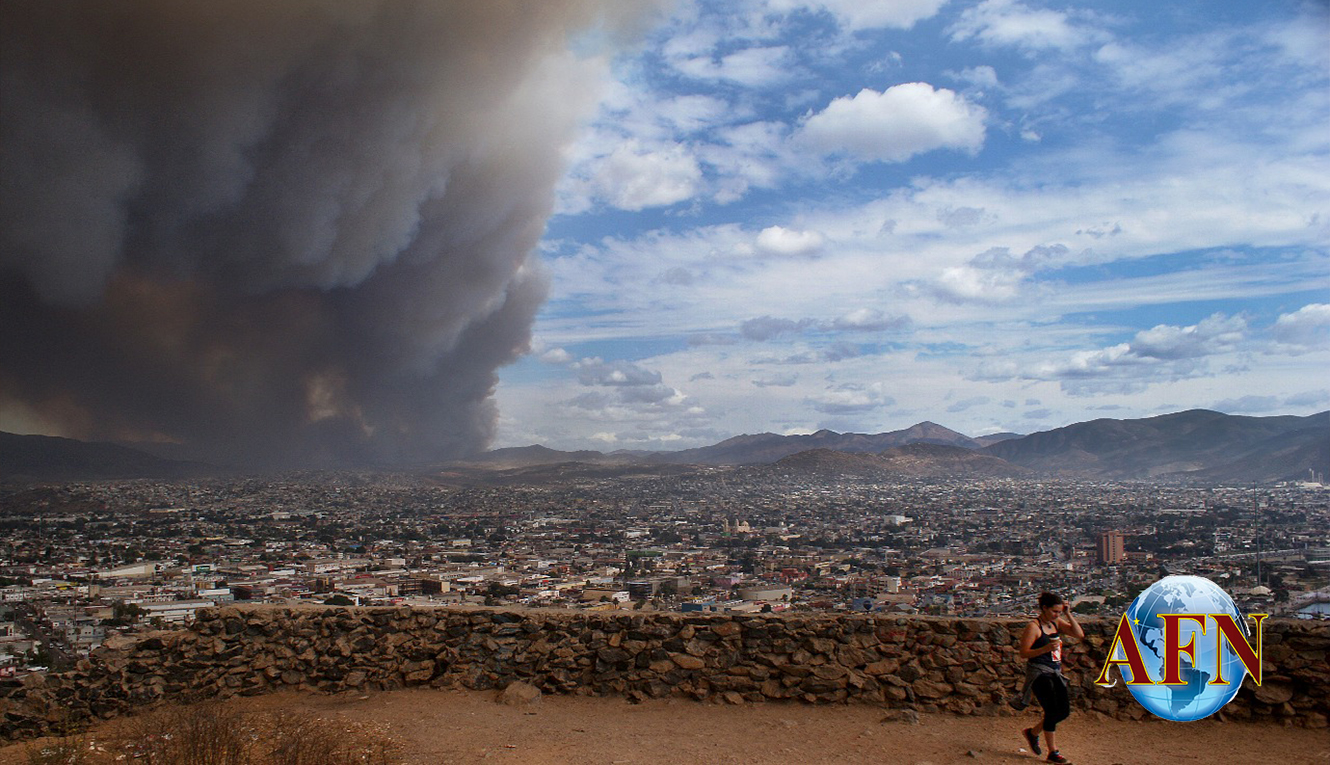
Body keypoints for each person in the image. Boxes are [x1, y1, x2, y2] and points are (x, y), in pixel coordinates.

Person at [1016, 592, 1083, 764]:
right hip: (1039, 672)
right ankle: (1053, 752)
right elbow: (1024, 653)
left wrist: (1068, 614)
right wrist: (1044, 649)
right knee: (1052, 710)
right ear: (1044, 608)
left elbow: (1078, 634)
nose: (1057, 614)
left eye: (1059, 612)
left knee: (1063, 711)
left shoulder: (1055, 622)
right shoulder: (1033, 627)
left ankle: (1032, 733)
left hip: (1054, 671)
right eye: (1054, 611)